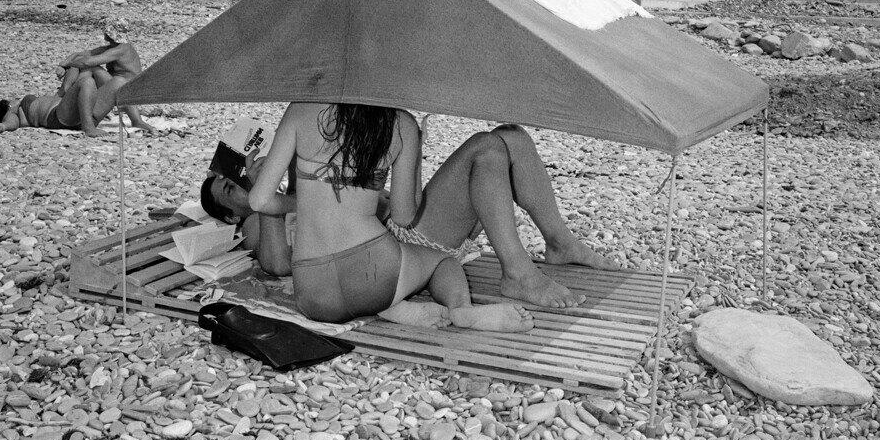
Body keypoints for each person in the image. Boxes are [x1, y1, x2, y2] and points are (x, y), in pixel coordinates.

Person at [244, 102, 617, 332]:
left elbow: (261, 201)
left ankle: (559, 242)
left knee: (510, 137)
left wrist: (296, 201)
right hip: (381, 259)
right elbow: (405, 216)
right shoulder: (397, 123)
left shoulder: (301, 112)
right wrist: (412, 149)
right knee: (488, 150)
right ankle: (494, 287)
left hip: (315, 296)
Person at [0, 36, 155, 136]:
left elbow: (14, 121)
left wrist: (65, 64)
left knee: (119, 83)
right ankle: (88, 127)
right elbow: (10, 120)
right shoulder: (17, 107)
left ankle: (135, 120)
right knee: (86, 81)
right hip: (60, 117)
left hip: (75, 114)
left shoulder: (22, 113)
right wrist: (4, 125)